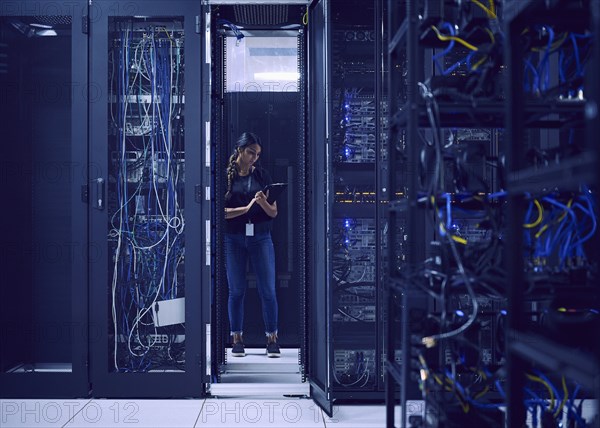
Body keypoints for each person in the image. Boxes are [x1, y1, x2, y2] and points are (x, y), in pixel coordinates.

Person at [224, 132, 280, 358]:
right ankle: (236, 338)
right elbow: (220, 213)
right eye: (250, 152)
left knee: (268, 290)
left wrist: (262, 201)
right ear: (239, 150)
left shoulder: (263, 175)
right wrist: (247, 209)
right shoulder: (226, 176)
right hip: (234, 237)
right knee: (236, 290)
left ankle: (272, 338)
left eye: (257, 154)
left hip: (260, 236)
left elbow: (273, 212)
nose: (254, 158)